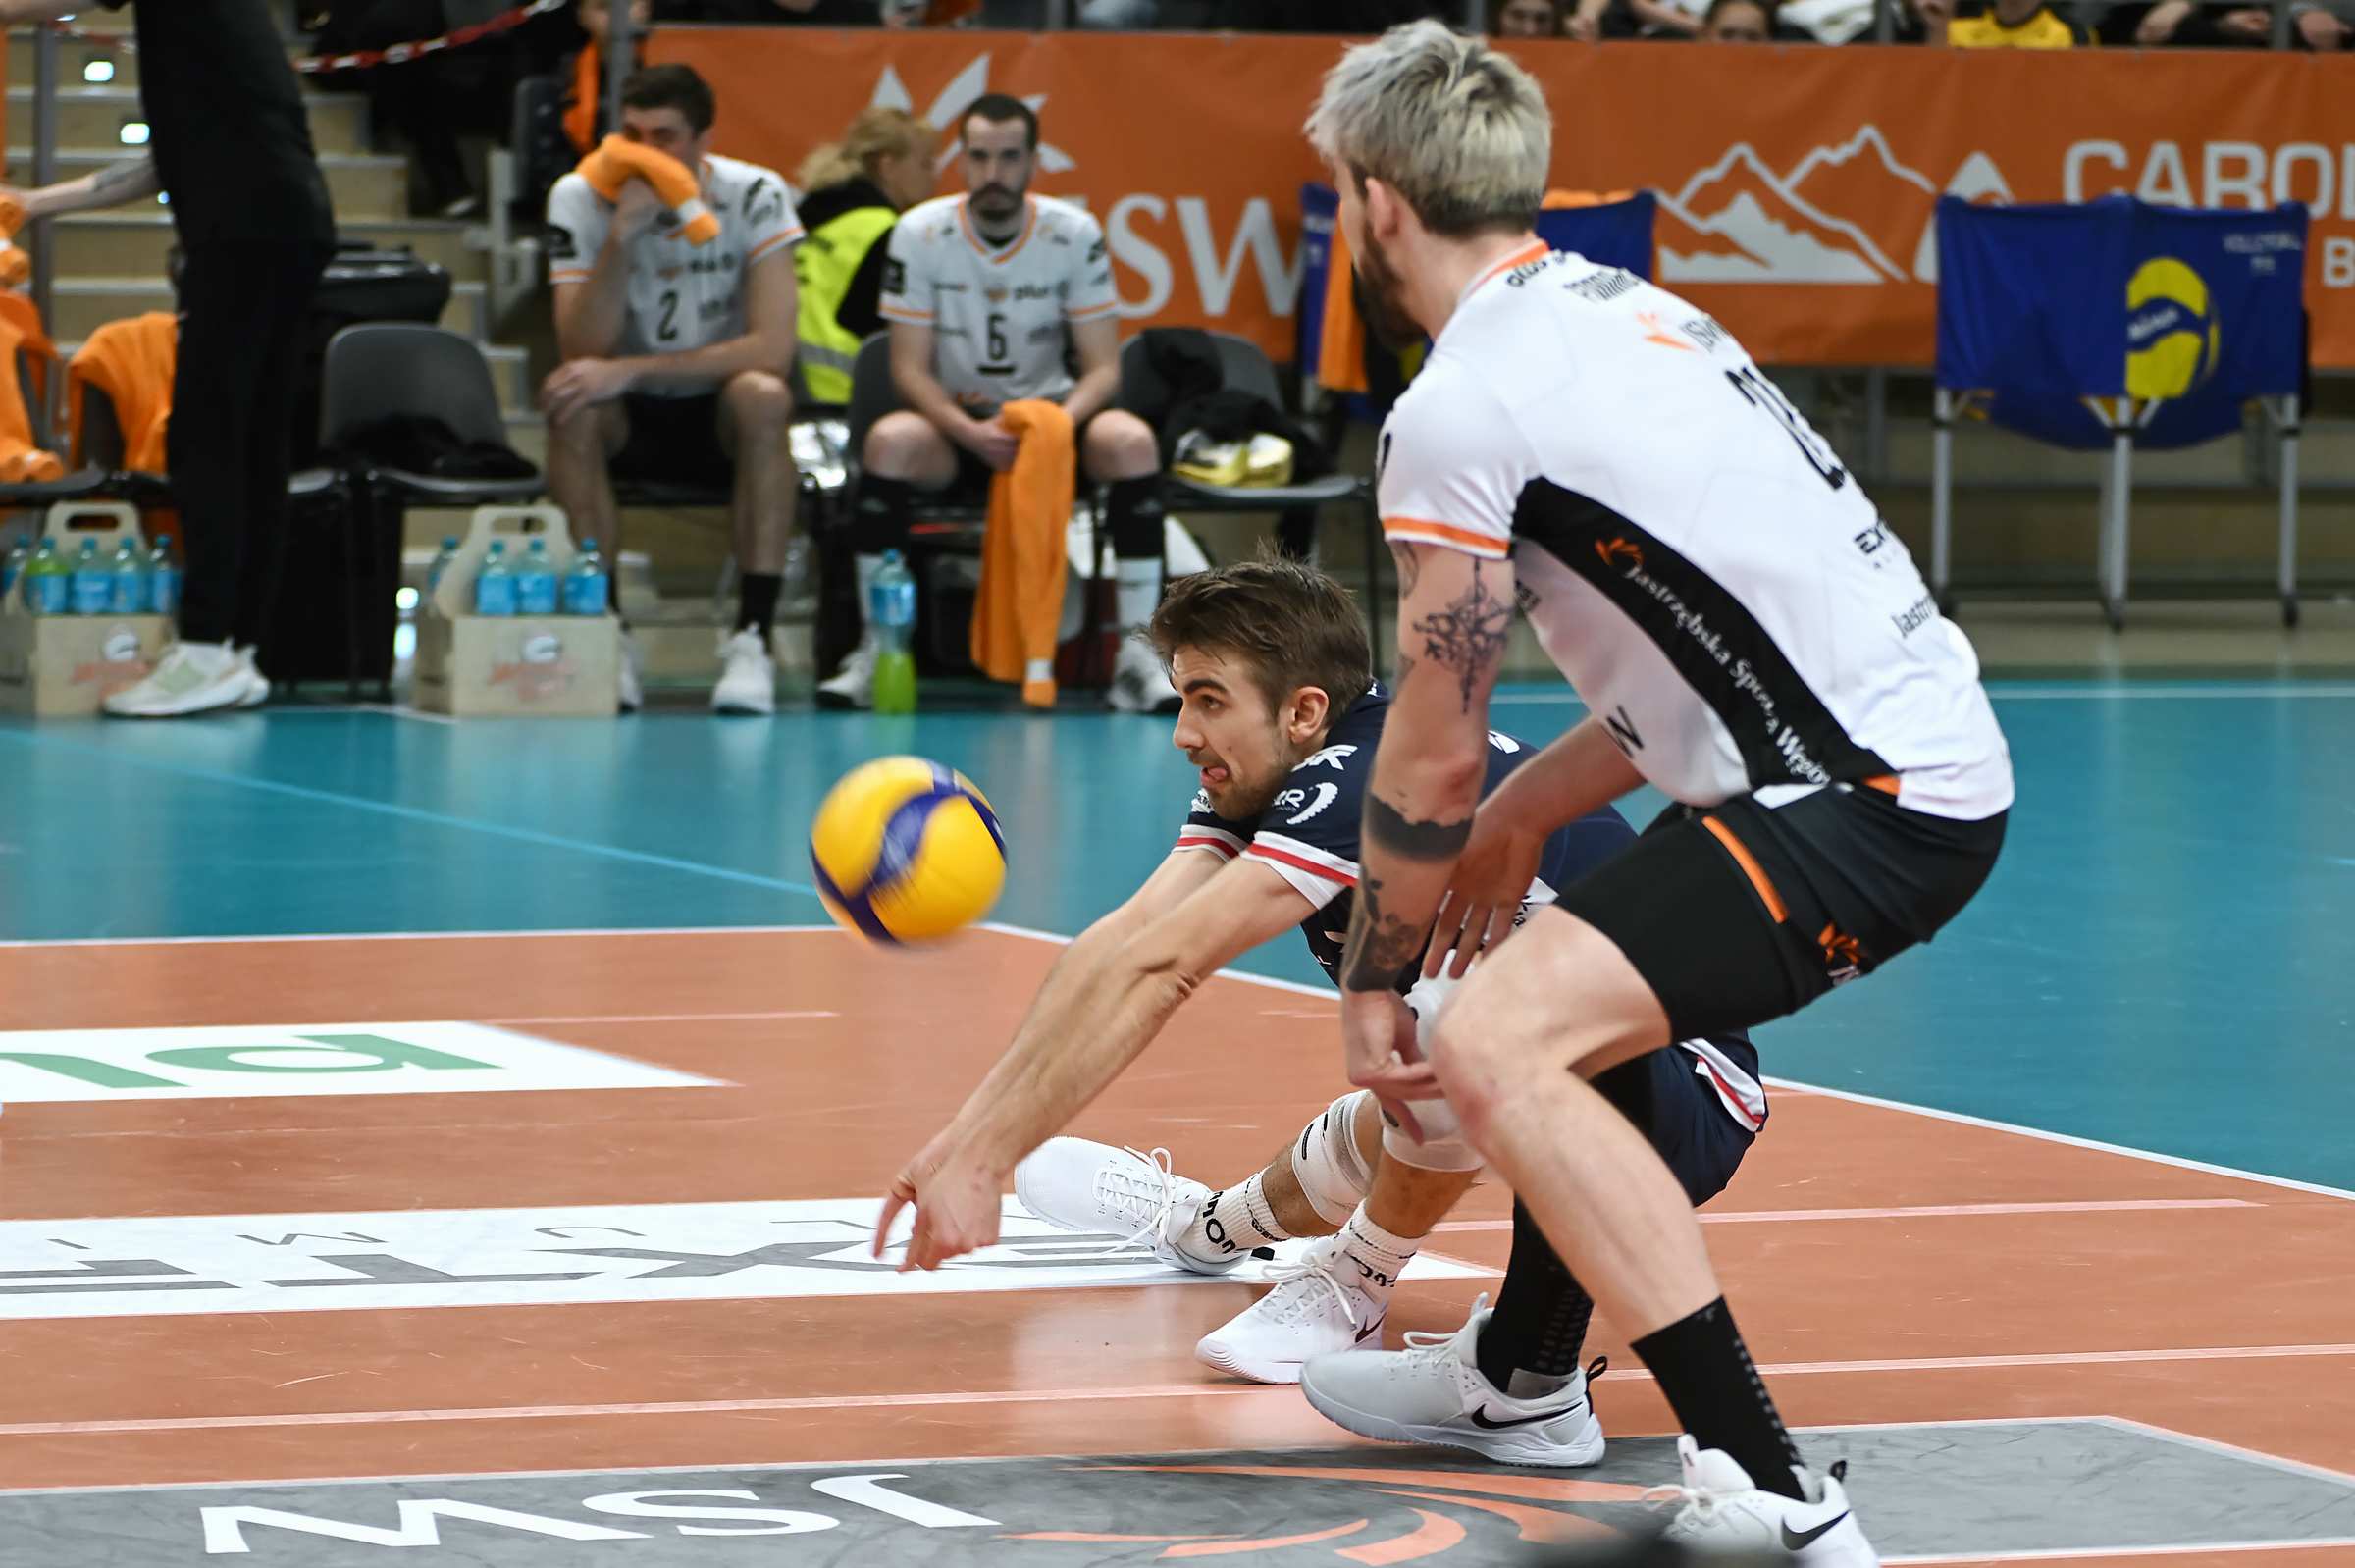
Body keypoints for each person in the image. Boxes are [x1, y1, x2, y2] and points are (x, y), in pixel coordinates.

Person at [1307, 23, 2009, 1563]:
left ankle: (1774, 1487)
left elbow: (1435, 732)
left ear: (1375, 203)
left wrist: (1374, 977)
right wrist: (1523, 814)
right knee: (1557, 989)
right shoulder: (1630, 312)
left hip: (1857, 798)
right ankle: (1519, 1378)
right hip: (1896, 760)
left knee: (1487, 1035)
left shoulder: (1457, 407)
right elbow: (1701, 653)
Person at [882, 554, 1766, 1463]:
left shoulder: (1365, 779)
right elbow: (1125, 941)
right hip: (1526, 1076)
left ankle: (1367, 1290)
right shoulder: (1283, 768)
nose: (1183, 732)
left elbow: (1170, 968)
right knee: (1404, 1077)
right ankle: (1205, 1227)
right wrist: (968, 1136)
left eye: (1208, 700)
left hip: (1681, 1095)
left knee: (1445, 1026)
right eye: (1182, 698)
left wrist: (989, 1159)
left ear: (1304, 711)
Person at [0, 0, 337, 718]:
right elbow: (167, 162)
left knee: (205, 438)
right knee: (255, 443)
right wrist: (35, 202)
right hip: (293, 225)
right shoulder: (220, 34)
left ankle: (206, 646)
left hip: (244, 233)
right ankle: (239, 650)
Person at [821, 93, 1178, 714]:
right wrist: (969, 432)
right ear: (961, 160)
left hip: (1051, 425)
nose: (994, 174)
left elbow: (1103, 370)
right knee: (890, 443)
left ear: (1034, 161)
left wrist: (1057, 425)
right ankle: (880, 647)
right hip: (957, 428)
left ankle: (1138, 655)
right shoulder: (919, 233)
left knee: (1130, 441)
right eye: (980, 157)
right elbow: (907, 369)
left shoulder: (1073, 234)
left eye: (1009, 158)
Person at [541, 64, 804, 715]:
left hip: (715, 407)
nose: (644, 154)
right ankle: (607, 633)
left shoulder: (755, 193)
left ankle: (752, 638)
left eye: (665, 138)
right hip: (626, 416)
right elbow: (582, 346)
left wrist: (635, 369)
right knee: (571, 401)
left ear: (703, 141)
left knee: (765, 395)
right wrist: (621, 240)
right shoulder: (578, 196)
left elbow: (772, 347)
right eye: (631, 136)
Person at [791, 108, 936, 408]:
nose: (935, 176)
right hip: (847, 395)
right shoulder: (889, 232)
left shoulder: (804, 216)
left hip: (788, 384)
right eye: (925, 163)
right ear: (887, 166)